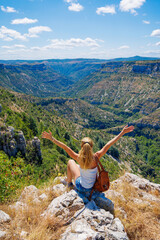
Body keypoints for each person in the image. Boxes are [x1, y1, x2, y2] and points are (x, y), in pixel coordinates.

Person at [42, 125, 134, 192]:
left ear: (82, 147)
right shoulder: (96, 156)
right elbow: (109, 144)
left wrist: (52, 138)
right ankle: (69, 182)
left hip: (81, 187)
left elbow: (65, 147)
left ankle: (68, 183)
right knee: (78, 166)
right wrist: (122, 132)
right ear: (92, 147)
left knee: (71, 162)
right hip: (93, 186)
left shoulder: (78, 158)